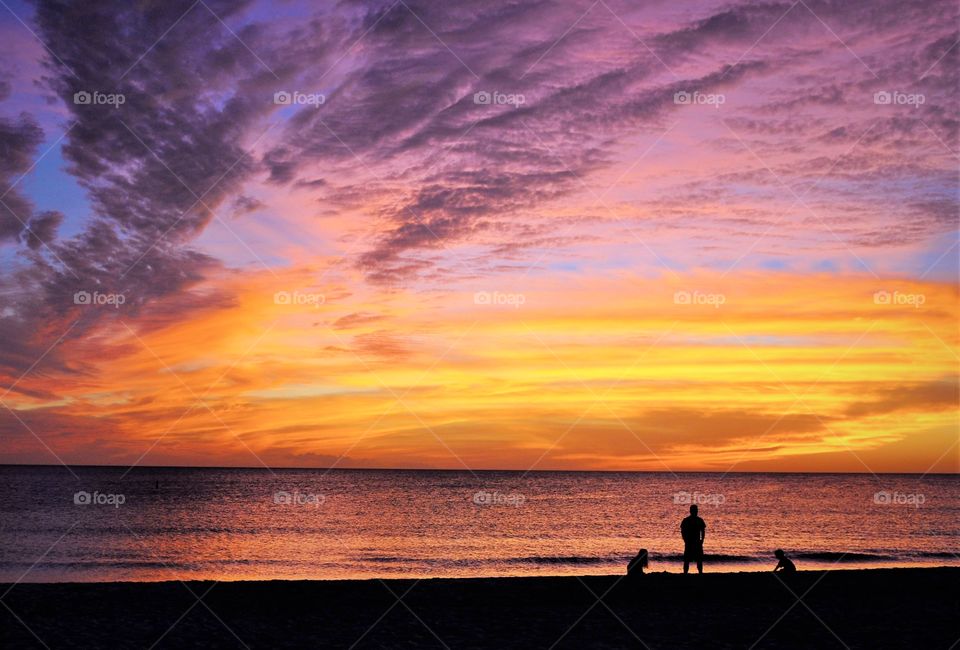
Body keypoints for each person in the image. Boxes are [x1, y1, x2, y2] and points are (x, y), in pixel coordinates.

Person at [680, 504, 706, 574]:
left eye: (696, 510)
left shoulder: (699, 520)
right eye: (695, 510)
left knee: (698, 560)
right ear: (691, 511)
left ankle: (699, 572)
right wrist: (685, 540)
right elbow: (683, 531)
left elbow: (702, 532)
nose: (696, 512)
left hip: (695, 542)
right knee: (688, 560)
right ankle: (687, 573)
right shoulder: (687, 520)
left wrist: (701, 540)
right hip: (691, 542)